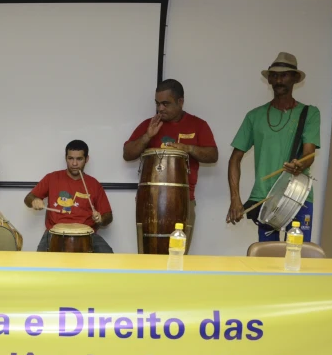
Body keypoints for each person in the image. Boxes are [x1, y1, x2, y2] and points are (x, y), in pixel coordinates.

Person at [226, 52, 320, 242]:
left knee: (298, 257)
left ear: (294, 78)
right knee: (268, 260)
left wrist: (299, 165)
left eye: (284, 75)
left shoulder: (309, 113)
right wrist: (235, 198)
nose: (279, 80)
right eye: (274, 75)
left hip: (299, 196)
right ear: (269, 79)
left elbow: (309, 154)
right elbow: (235, 158)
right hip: (265, 198)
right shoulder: (254, 116)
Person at [123, 79, 218, 254]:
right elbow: (127, 154)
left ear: (180, 101)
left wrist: (187, 148)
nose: (160, 109)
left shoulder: (198, 125)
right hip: (148, 202)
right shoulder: (149, 125)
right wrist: (147, 137)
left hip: (184, 201)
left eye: (165, 104)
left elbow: (213, 155)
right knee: (147, 257)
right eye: (157, 104)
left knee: (177, 257)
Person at [25, 140, 114, 253]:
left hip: (87, 234)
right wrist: (34, 200)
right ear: (65, 158)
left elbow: (108, 216)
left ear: (86, 159)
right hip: (54, 233)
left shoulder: (94, 184)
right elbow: (28, 198)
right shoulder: (52, 178)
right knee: (40, 264)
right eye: (70, 158)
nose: (74, 164)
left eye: (79, 159)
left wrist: (101, 219)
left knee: (109, 258)